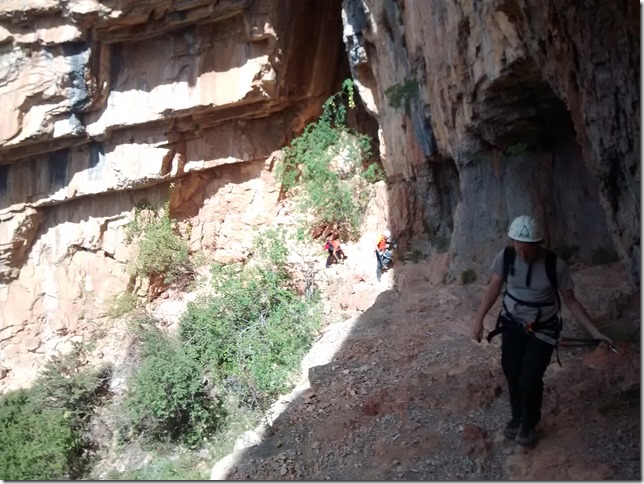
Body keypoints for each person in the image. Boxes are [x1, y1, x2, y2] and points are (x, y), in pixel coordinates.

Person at [471, 215, 612, 447]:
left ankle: (528, 423)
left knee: (530, 377)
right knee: (511, 371)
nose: (524, 256)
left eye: (529, 251)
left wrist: (594, 332)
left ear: (539, 244)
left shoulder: (555, 265)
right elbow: (494, 287)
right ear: (513, 243)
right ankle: (516, 417)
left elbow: (571, 301)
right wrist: (478, 319)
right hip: (512, 324)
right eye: (520, 250)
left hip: (543, 330)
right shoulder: (506, 257)